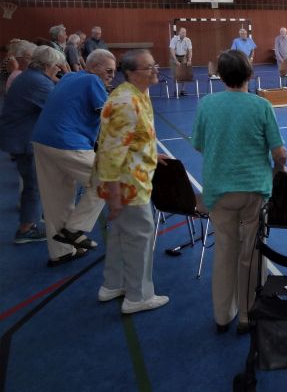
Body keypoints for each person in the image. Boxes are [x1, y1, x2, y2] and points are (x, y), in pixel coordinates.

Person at [192, 50, 287, 333]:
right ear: (250, 74)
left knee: (224, 251)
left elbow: (198, 144)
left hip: (219, 190)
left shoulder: (206, 104)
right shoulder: (261, 106)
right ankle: (248, 313)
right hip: (253, 190)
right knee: (252, 251)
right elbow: (279, 153)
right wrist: (280, 166)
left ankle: (223, 315)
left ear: (220, 76)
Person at [95, 49, 169, 313]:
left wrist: (150, 151)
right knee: (140, 236)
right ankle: (138, 296)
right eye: (148, 67)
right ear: (131, 73)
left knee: (119, 233)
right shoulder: (127, 102)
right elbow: (111, 152)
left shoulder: (136, 95)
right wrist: (115, 194)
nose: (155, 70)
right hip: (127, 184)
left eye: (154, 65)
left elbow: (132, 138)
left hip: (128, 178)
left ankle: (112, 284)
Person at [31, 49, 116, 266]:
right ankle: (74, 229)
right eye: (108, 70)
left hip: (42, 140)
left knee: (55, 199)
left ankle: (61, 252)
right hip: (67, 142)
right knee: (106, 179)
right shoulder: (92, 81)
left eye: (114, 72)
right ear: (93, 66)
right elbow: (109, 118)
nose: (111, 75)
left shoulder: (69, 77)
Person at [0, 46, 63, 245]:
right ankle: (26, 229)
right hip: (23, 139)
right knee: (34, 184)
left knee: (32, 182)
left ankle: (32, 216)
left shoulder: (31, 77)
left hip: (19, 135)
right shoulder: (37, 82)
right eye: (55, 65)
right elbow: (57, 108)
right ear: (46, 65)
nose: (57, 69)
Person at [169, 27, 193, 96]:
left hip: (183, 57)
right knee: (175, 73)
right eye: (182, 32)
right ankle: (176, 90)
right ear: (179, 33)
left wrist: (189, 59)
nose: (184, 34)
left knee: (183, 73)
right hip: (174, 56)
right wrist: (175, 60)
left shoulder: (188, 40)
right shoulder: (174, 39)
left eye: (185, 33)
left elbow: (190, 50)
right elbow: (172, 50)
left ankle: (182, 90)